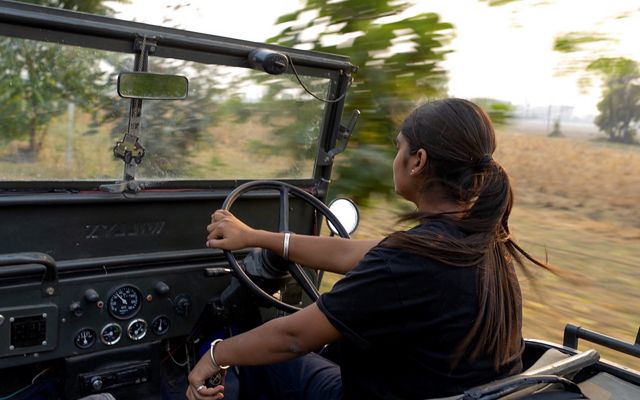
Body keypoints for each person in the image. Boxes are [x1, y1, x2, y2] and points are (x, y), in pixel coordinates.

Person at [186, 98, 551, 400]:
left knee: (265, 355)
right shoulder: (479, 240)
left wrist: (216, 355)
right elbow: (350, 254)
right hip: (443, 388)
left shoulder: (412, 259)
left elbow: (294, 337)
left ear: (418, 161)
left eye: (399, 148)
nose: (396, 158)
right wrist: (258, 237)